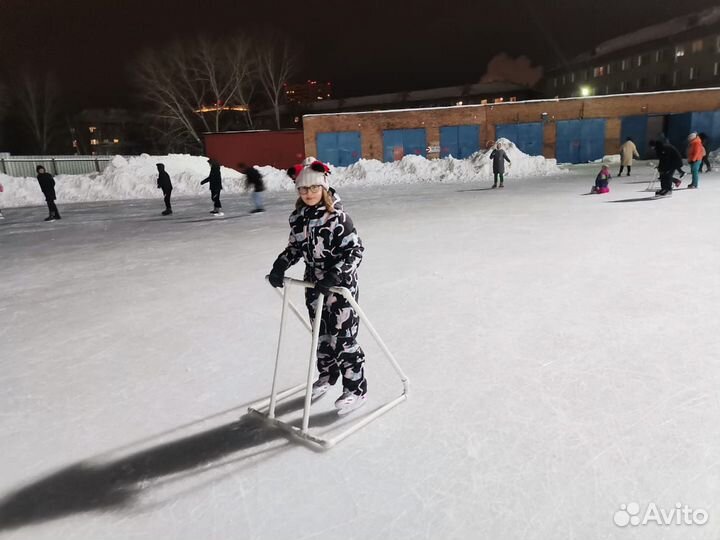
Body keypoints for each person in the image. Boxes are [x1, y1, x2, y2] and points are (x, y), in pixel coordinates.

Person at [267, 161, 367, 415]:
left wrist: (335, 274)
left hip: (340, 288)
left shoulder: (338, 218)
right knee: (321, 337)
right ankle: (327, 376)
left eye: (313, 188)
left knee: (343, 339)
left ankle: (355, 388)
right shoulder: (298, 219)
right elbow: (295, 248)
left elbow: (355, 252)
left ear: (324, 187)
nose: (308, 193)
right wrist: (281, 264)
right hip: (313, 285)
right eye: (303, 190)